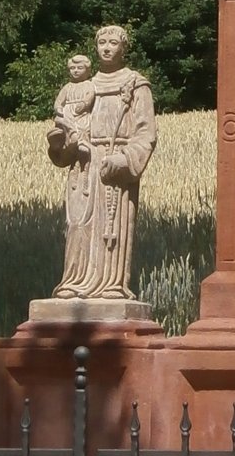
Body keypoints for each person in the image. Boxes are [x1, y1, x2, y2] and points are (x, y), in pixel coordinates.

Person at [46, 25, 157, 300]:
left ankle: (111, 284)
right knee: (77, 225)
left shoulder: (136, 84)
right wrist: (60, 144)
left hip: (114, 166)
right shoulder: (84, 86)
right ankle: (73, 281)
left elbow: (146, 133)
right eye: (102, 43)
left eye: (113, 43)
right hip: (83, 166)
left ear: (124, 48)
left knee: (112, 230)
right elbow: (67, 133)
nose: (106, 48)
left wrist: (124, 159)